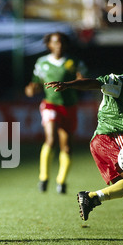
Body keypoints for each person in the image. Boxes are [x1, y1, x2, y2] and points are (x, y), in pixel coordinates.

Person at [45, 55, 123, 244]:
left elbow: (121, 112)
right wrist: (69, 84)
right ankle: (91, 197)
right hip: (111, 137)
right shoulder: (119, 81)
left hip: (100, 142)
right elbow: (95, 82)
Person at [25, 32, 87, 194]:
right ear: (49, 45)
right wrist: (31, 89)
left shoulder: (74, 63)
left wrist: (77, 82)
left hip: (69, 107)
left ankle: (61, 181)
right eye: (55, 42)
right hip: (50, 105)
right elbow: (35, 83)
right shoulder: (42, 62)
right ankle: (44, 177)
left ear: (65, 45)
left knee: (66, 148)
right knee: (51, 139)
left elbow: (84, 82)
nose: (58, 45)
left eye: (61, 42)